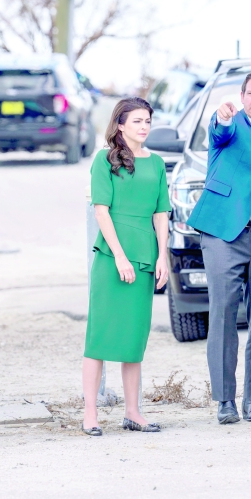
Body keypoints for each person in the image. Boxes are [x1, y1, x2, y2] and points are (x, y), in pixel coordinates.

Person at [187, 69, 251, 425]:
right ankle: (225, 399)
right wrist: (222, 117)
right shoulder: (229, 125)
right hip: (225, 231)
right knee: (223, 313)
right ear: (242, 97)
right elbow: (218, 130)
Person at [82, 97, 170, 436]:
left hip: (146, 256)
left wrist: (163, 255)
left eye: (147, 120)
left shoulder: (157, 163)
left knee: (134, 338)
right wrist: (119, 256)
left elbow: (161, 213)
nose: (144, 126)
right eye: (136, 121)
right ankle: (90, 413)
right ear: (120, 124)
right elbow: (101, 211)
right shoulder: (104, 161)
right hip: (112, 256)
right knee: (100, 336)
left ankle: (133, 412)